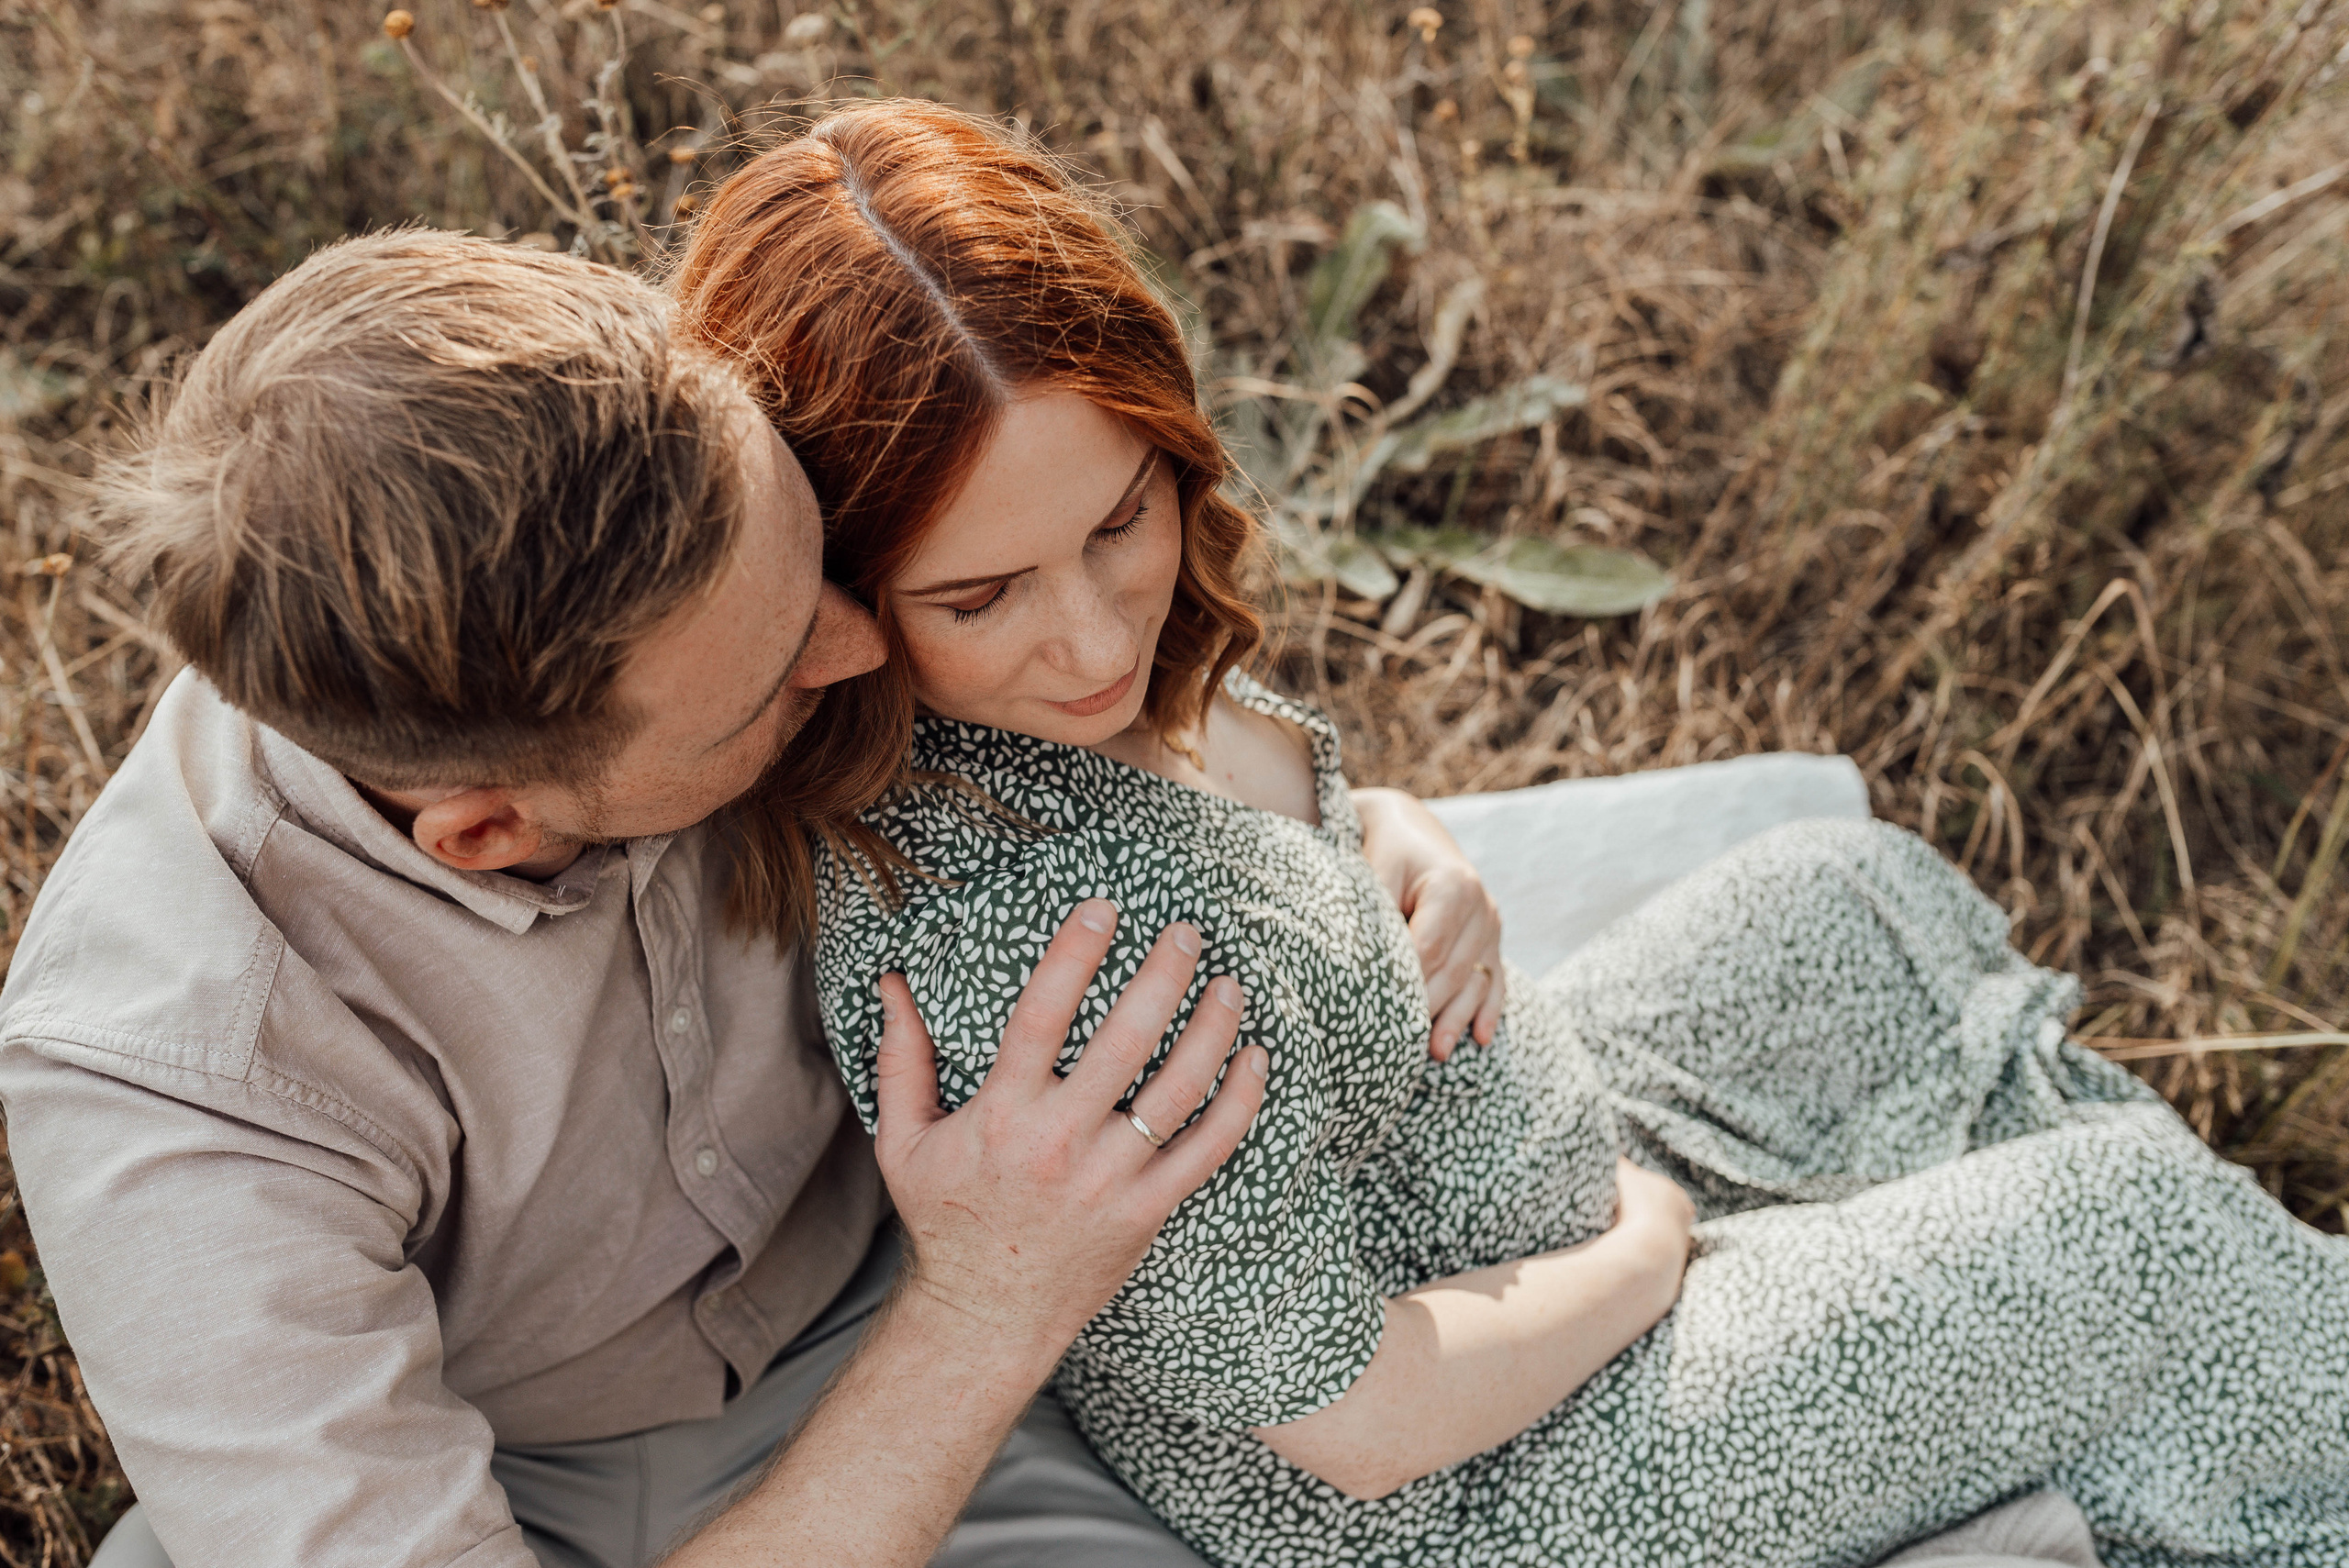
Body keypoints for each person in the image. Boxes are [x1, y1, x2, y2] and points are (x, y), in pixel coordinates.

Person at [669, 99, 2349, 1568]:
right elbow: (1364, 1424)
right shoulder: (1053, 969)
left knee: (1854, 903)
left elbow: (1240, 814)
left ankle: (2177, 1383)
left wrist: (1393, 833)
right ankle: (2205, 1367)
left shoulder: (1042, 708)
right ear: (830, 595)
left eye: (1122, 521)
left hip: (1486, 1174)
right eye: (981, 593)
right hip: (1507, 1477)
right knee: (2134, 1230)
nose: (1100, 643)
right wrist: (1649, 1237)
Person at [0, 224, 1578, 1568]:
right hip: (552, 1468)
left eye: (821, 567)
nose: (858, 650)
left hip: (927, 1320)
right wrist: (985, 1305)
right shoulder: (173, 1083)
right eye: (775, 678)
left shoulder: (679, 533)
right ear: (487, 830)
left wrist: (1359, 826)